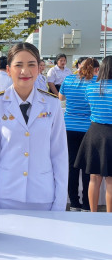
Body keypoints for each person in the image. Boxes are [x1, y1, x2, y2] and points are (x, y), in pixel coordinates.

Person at [0, 42, 68, 211]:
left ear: (39, 68)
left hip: (43, 195)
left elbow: (59, 156)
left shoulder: (52, 104)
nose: (25, 71)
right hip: (6, 195)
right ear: (8, 70)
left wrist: (59, 203)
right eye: (18, 65)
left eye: (31, 64)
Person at [59, 58, 99, 212]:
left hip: (69, 127)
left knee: (72, 166)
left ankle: (74, 202)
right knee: (87, 167)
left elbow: (61, 99)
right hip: (89, 128)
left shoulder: (68, 79)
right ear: (96, 69)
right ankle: (87, 205)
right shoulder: (96, 82)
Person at [74, 56, 112, 212]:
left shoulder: (90, 87)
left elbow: (88, 104)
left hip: (94, 132)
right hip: (110, 133)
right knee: (110, 180)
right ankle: (110, 216)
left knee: (94, 178)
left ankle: (93, 213)